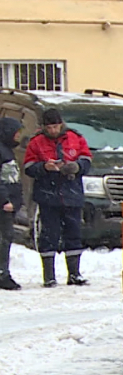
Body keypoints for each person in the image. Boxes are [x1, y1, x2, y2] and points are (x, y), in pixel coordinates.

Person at [23, 108, 92, 287]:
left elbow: (87, 159)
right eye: (49, 127)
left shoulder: (75, 138)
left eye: (55, 126)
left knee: (74, 234)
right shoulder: (36, 142)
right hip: (48, 196)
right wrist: (44, 167)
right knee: (49, 236)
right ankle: (49, 277)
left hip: (71, 193)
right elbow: (28, 167)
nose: (53, 130)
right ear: (44, 127)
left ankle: (74, 274)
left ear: (61, 124)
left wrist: (76, 167)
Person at [0, 116, 24, 290]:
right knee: (4, 239)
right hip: (4, 205)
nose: (18, 136)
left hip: (9, 204)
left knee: (6, 238)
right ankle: (3, 274)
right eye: (16, 132)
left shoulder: (7, 150)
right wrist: (5, 200)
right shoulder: (2, 151)